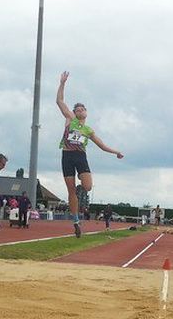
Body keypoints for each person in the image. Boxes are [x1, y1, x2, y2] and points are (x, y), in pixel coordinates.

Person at [56, 71, 123, 238]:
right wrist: (62, 83)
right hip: (67, 156)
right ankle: (76, 222)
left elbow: (101, 145)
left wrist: (116, 152)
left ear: (86, 112)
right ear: (75, 113)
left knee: (87, 187)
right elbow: (59, 101)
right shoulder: (70, 119)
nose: (80, 111)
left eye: (82, 109)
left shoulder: (88, 130)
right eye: (77, 109)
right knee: (70, 190)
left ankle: (81, 178)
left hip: (80, 157)